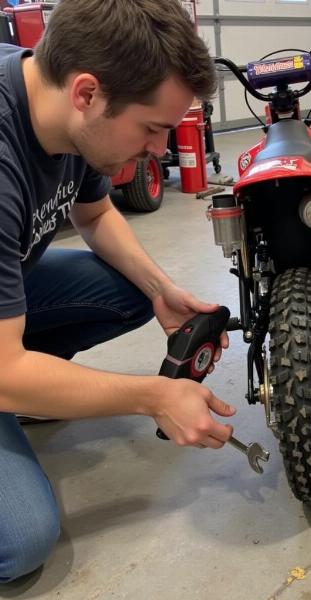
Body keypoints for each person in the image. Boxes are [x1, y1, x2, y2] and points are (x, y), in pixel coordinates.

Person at [0, 0, 236, 583]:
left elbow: (96, 213)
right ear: (87, 93)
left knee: (128, 289)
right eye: (154, 129)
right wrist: (153, 397)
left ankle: (36, 384)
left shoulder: (65, 111)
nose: (161, 149)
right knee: (23, 541)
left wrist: (161, 289)